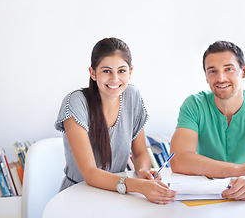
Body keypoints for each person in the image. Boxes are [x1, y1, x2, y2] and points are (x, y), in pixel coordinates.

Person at [55, 37, 177, 204]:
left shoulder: (132, 96)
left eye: (121, 71)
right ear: (93, 73)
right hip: (79, 195)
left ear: (130, 72)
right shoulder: (76, 103)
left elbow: (140, 152)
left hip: (117, 194)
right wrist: (140, 186)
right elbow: (90, 173)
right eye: (106, 71)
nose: (114, 79)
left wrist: (142, 171)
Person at [170, 40, 245, 201]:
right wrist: (241, 169)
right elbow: (178, 160)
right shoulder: (194, 105)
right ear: (206, 76)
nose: (221, 78)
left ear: (244, 71)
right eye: (212, 71)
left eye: (229, 69)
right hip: (207, 192)